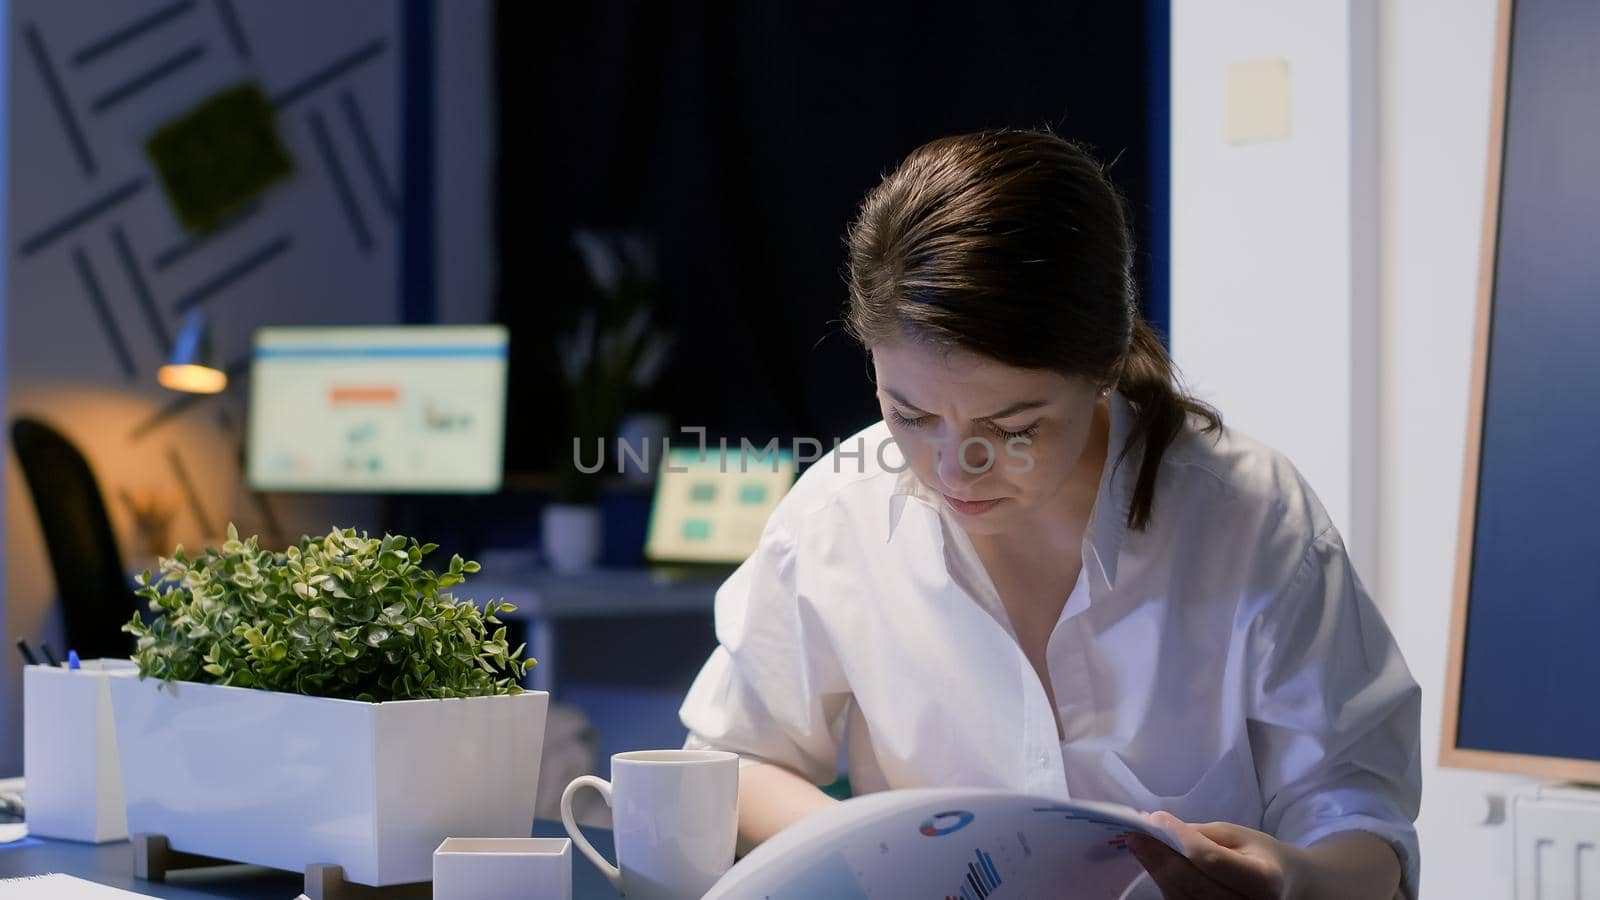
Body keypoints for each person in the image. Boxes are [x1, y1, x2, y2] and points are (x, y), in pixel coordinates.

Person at [678, 129, 1421, 899]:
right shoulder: (842, 512)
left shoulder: (1248, 519)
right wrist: (891, 861)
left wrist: (1298, 880)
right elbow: (728, 760)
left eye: (1013, 430)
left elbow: (1358, 804)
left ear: (1100, 369)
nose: (953, 466)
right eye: (911, 415)